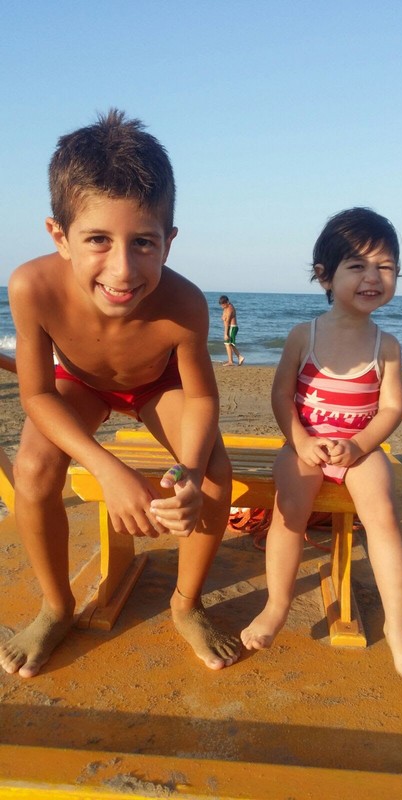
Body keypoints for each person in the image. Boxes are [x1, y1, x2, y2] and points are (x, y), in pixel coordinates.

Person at [0, 109, 241, 678]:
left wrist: (186, 471)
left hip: (158, 386)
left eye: (143, 243)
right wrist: (109, 471)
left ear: (169, 242)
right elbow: (37, 396)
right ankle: (56, 607)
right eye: (98, 240)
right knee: (33, 467)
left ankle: (187, 604)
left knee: (213, 471)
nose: (123, 269)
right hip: (79, 385)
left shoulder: (185, 303)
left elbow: (201, 399)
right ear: (59, 236)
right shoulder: (31, 287)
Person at [241, 207, 402, 688]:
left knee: (383, 514)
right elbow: (281, 396)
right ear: (324, 275)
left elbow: (391, 408)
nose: (373, 277)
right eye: (357, 266)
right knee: (289, 511)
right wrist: (300, 441)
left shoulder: (386, 345)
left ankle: (398, 627)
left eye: (385, 267)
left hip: (360, 450)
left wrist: (361, 444)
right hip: (305, 444)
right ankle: (277, 605)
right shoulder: (303, 336)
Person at [218, 295, 245, 366]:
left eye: (223, 304)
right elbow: (223, 317)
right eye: (221, 305)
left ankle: (232, 360)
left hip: (232, 327)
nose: (222, 306)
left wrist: (225, 334)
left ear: (227, 302)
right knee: (229, 344)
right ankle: (238, 358)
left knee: (228, 343)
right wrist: (223, 317)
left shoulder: (229, 309)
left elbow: (227, 322)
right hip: (231, 327)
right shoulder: (227, 307)